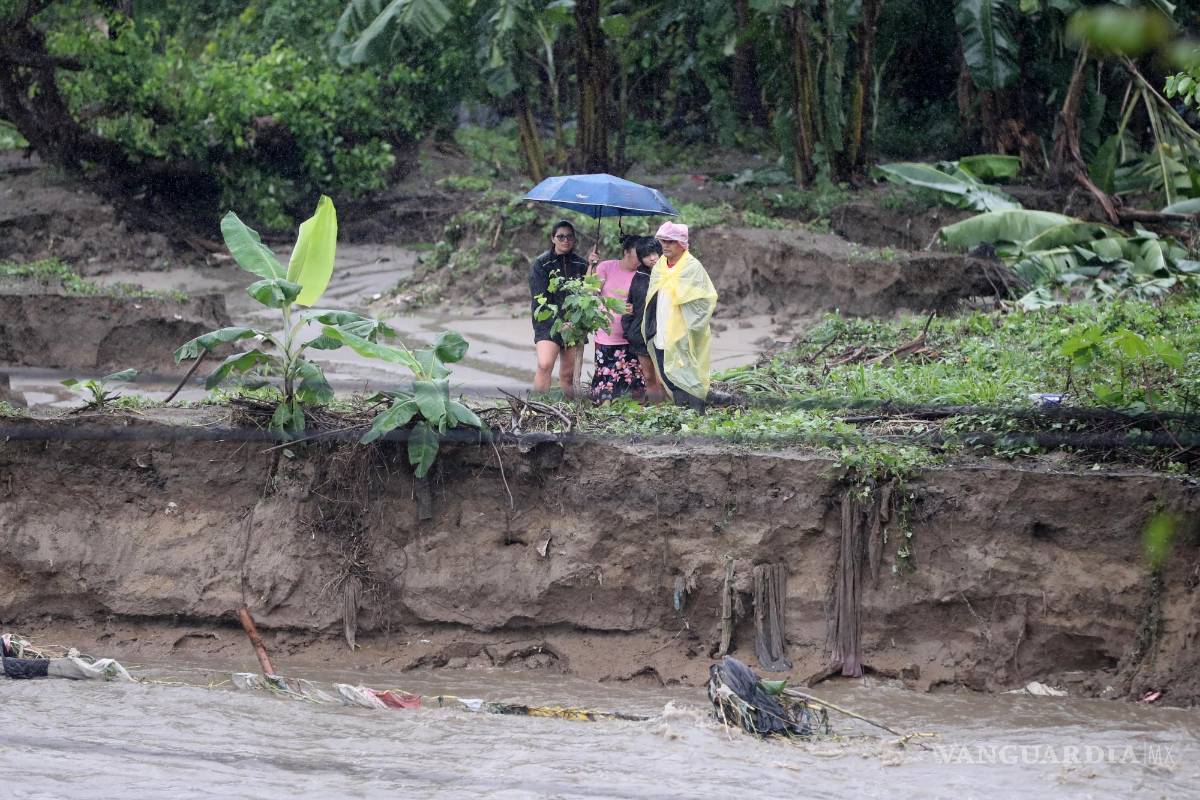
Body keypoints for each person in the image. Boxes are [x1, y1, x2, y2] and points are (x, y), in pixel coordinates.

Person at [641, 221, 717, 413]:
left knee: (690, 376)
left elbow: (706, 299)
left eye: (670, 241)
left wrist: (690, 328)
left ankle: (698, 415)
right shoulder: (660, 266)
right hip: (661, 332)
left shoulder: (692, 268)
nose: (665, 245)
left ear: (681, 243)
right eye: (663, 241)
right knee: (669, 376)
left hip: (683, 334)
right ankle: (683, 414)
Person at [529, 220, 591, 394]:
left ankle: (569, 411)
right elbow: (539, 298)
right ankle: (538, 407)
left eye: (569, 236)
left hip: (575, 323)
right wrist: (558, 322)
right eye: (561, 236)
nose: (565, 240)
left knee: (568, 374)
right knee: (544, 364)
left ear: (574, 239)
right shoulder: (541, 264)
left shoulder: (581, 264)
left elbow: (589, 291)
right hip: (548, 322)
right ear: (553, 238)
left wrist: (592, 266)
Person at [590, 235, 649, 403]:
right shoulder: (606, 267)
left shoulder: (644, 274)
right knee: (606, 379)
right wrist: (591, 265)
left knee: (633, 381)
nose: (640, 259)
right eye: (637, 254)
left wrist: (636, 309)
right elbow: (590, 293)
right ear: (625, 252)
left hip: (632, 335)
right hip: (607, 335)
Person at [620, 236, 664, 402]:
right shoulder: (639, 277)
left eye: (654, 253)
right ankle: (658, 411)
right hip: (640, 335)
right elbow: (630, 306)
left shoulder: (668, 274)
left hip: (663, 334)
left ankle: (671, 411)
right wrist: (629, 330)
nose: (652, 258)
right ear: (641, 258)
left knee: (664, 378)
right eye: (647, 255)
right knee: (649, 377)